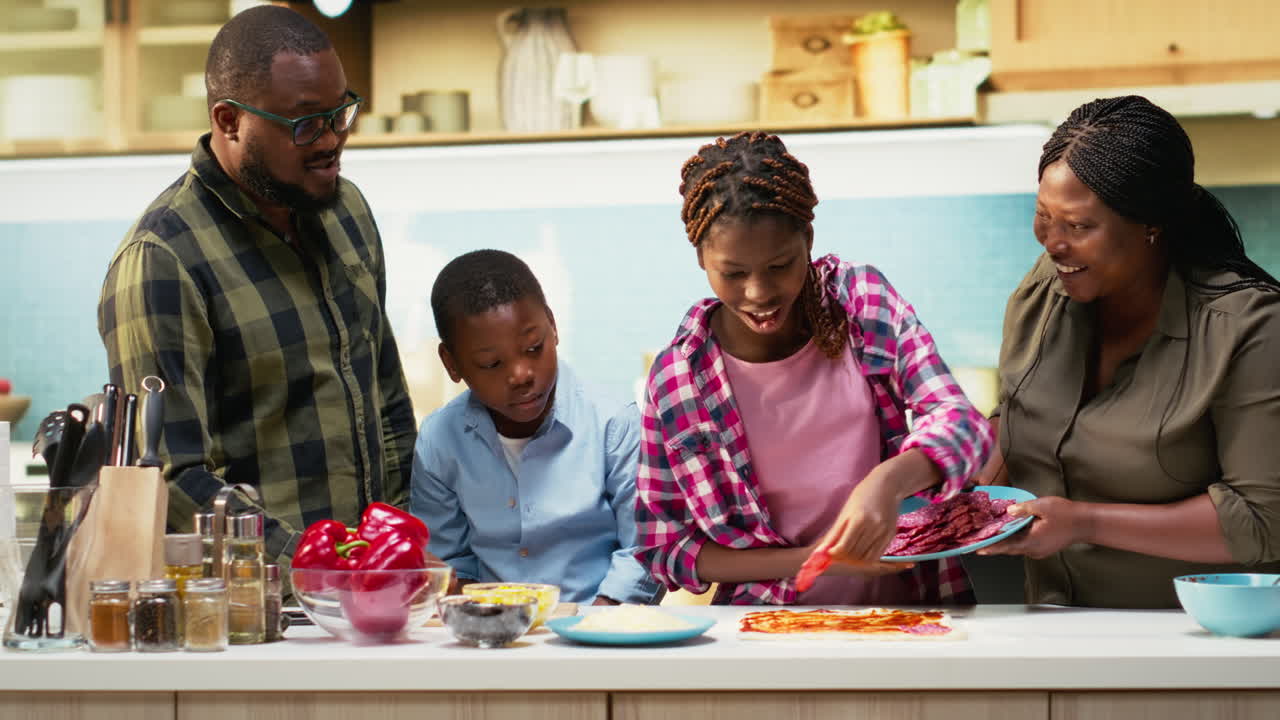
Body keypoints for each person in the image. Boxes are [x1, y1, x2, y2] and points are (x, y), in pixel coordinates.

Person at [97, 6, 415, 567]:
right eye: (305, 122)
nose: (332, 140)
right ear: (228, 120)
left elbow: (387, 406)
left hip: (372, 592)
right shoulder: (162, 261)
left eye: (343, 112)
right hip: (255, 613)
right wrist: (317, 572)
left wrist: (405, 548)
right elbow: (168, 478)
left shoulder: (347, 213)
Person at [635, 132, 993, 605]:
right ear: (701, 256)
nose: (759, 293)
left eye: (780, 266)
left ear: (808, 239)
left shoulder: (862, 305)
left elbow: (962, 424)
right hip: (763, 627)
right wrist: (821, 557)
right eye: (734, 273)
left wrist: (886, 483)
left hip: (907, 607)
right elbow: (667, 548)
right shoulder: (677, 381)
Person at [976, 95, 1280, 608]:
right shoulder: (1044, 292)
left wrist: (1083, 522)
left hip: (1195, 641)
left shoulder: (1248, 327)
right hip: (1054, 623)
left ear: (1150, 225)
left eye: (1078, 226)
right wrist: (955, 486)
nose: (1052, 244)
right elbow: (1020, 416)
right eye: (1043, 217)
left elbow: (1261, 518)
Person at [411, 250, 659, 605]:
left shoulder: (614, 425)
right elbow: (449, 561)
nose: (521, 375)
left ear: (553, 327)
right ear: (452, 363)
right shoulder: (440, 440)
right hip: (489, 636)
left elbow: (644, 550)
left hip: (599, 632)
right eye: (491, 363)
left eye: (533, 347)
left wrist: (595, 625)